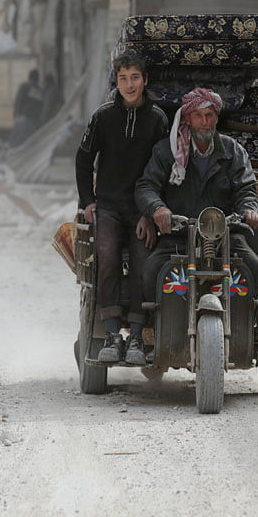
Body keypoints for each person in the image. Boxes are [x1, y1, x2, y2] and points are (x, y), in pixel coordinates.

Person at [76, 53, 169, 365]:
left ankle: (138, 339)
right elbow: (83, 158)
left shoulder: (158, 119)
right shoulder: (103, 117)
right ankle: (113, 333)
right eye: (123, 78)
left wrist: (151, 211)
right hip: (110, 207)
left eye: (135, 78)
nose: (129, 85)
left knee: (144, 267)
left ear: (145, 81)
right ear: (116, 82)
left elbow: (165, 168)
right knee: (107, 259)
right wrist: (88, 201)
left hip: (142, 209)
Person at [135, 87, 258, 308]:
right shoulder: (168, 150)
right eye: (198, 116)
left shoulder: (233, 151)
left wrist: (249, 209)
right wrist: (157, 209)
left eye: (209, 115)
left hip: (225, 235)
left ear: (216, 117)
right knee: (152, 269)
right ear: (188, 118)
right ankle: (153, 327)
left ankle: (248, 327)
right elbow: (146, 186)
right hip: (178, 234)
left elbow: (246, 189)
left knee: (253, 267)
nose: (204, 122)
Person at [8, 69, 44, 148]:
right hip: (34, 121)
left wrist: (15, 115)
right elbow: (40, 107)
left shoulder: (25, 86)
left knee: (17, 141)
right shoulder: (40, 90)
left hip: (23, 118)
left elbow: (18, 101)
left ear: (29, 77)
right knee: (29, 142)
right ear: (37, 79)